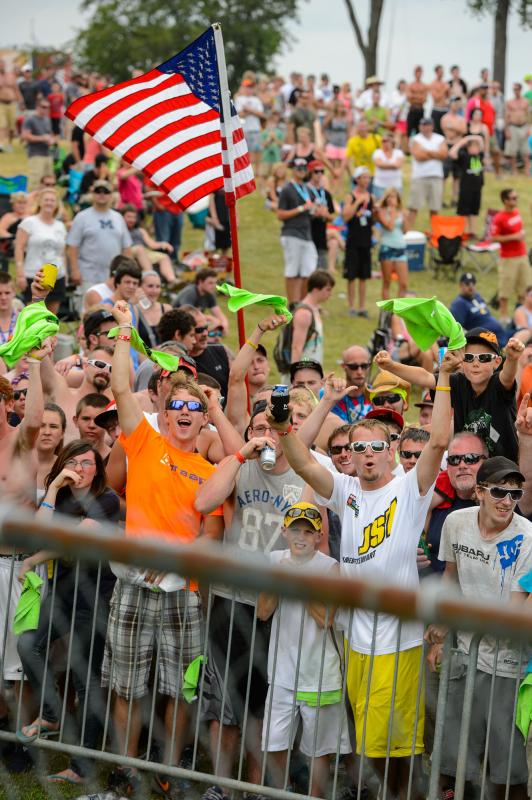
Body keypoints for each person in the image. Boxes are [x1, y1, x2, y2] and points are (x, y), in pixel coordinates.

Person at [267, 348, 458, 800]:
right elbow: (303, 463)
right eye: (358, 448)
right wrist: (283, 429)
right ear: (349, 455)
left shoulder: (409, 488)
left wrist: (444, 379)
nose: (367, 456)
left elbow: (437, 442)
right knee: (370, 741)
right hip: (357, 637)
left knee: (396, 746)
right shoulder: (345, 488)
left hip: (398, 638)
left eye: (376, 447)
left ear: (391, 451)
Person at [102, 300, 224, 798]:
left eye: (194, 409)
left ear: (204, 420)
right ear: (164, 414)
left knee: (180, 688)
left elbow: (213, 534)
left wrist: (175, 562)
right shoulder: (145, 443)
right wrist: (124, 331)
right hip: (133, 585)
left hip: (181, 592)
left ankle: (170, 769)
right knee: (126, 684)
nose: (185, 414)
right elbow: (118, 388)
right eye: (177, 407)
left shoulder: (211, 472)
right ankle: (125, 769)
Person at [194, 400, 307, 800]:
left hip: (278, 605)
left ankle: (258, 789)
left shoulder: (304, 475)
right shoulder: (238, 466)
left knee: (266, 705)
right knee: (225, 705)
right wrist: (241, 454)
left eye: (274, 427)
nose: (267, 435)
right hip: (232, 600)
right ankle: (223, 787)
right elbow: (203, 502)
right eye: (259, 428)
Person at [16, 441, 120, 786]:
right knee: (28, 644)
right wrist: (54, 487)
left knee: (84, 679)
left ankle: (81, 766)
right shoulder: (59, 497)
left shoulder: (106, 500)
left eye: (88, 463)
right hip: (62, 593)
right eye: (73, 462)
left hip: (96, 598)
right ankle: (51, 714)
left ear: (98, 469)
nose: (80, 469)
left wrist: (35, 558)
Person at [428, 457, 532, 799]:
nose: (507, 501)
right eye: (500, 491)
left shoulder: (527, 537)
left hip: (507, 663)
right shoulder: (456, 523)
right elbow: (451, 579)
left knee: (507, 769)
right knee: (453, 761)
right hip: (464, 656)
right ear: (480, 491)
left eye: (515, 494)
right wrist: (441, 632)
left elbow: (514, 613)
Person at [257, 503, 350, 798]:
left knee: (319, 751)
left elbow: (326, 619)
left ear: (319, 536)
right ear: (284, 531)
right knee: (274, 743)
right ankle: (280, 791)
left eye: (308, 532)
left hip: (320, 674)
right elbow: (262, 612)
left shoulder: (330, 568)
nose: (301, 537)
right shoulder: (274, 560)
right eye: (295, 530)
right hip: (281, 672)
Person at [66, 180, 133, 293]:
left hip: (113, 277)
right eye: (98, 191)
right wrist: (74, 270)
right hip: (88, 275)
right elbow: (72, 246)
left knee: (112, 305)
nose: (102, 194)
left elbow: (126, 247)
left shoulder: (118, 218)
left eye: (106, 192)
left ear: (111, 195)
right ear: (92, 194)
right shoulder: (82, 217)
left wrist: (126, 272)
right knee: (89, 304)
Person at [14, 188, 67, 315]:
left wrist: (66, 275)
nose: (49, 203)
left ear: (57, 204)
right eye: (46, 200)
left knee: (51, 317)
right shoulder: (29, 222)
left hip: (57, 276)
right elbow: (19, 247)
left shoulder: (60, 226)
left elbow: (62, 253)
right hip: (34, 275)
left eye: (52, 200)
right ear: (39, 202)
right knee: (33, 314)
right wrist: (20, 274)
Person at [276, 158, 318, 304]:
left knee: (308, 271)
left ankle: (303, 303)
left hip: (307, 234)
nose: (302, 171)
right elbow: (280, 214)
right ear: (293, 170)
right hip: (291, 233)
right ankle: (292, 303)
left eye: (304, 168)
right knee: (292, 270)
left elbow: (311, 212)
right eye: (299, 168)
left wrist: (316, 212)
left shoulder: (308, 190)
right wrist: (301, 209)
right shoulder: (287, 189)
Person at [491, 188, 531, 323]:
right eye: (513, 198)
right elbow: (494, 237)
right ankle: (504, 317)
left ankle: (523, 314)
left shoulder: (516, 212)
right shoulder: (499, 218)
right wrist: (514, 236)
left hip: (522, 255)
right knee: (505, 289)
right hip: (508, 258)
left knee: (525, 287)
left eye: (516, 197)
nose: (516, 200)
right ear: (505, 200)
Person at [342, 166, 374, 318]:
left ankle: (362, 307)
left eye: (368, 177)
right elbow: (345, 216)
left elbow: (374, 218)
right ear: (357, 179)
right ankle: (351, 306)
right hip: (353, 241)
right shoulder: (351, 196)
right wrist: (357, 203)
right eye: (364, 177)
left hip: (366, 241)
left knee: (363, 276)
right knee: (351, 275)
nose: (367, 180)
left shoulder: (371, 197)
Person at [408, 117, 447, 227]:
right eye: (423, 125)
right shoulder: (416, 139)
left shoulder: (440, 138)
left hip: (436, 176)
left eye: (427, 125)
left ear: (432, 126)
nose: (425, 127)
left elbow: (443, 154)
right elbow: (418, 156)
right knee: (414, 207)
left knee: (435, 207)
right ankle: (407, 231)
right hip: (419, 176)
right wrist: (435, 153)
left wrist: (426, 151)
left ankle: (435, 232)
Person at [289, 270, 334, 365]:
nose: (330, 294)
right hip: (303, 369)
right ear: (316, 289)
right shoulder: (304, 313)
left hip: (311, 368)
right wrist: (296, 371)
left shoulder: (314, 309)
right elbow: (296, 348)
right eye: (328, 289)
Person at [450, 272, 508, 343]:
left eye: (473, 283)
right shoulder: (459, 304)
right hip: (485, 340)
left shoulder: (477, 296)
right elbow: (457, 329)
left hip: (499, 333)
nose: (471, 286)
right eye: (467, 284)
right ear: (461, 285)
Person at [449, 134, 485, 236]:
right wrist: (464, 140)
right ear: (468, 148)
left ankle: (472, 231)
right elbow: (452, 153)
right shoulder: (464, 157)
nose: (475, 149)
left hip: (477, 189)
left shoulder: (479, 157)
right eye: (472, 147)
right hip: (466, 188)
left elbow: (481, 141)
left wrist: (474, 138)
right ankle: (462, 231)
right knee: (463, 211)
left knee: (474, 211)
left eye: (476, 147)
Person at [174, 268, 228, 334]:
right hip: (178, 325)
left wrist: (224, 325)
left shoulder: (209, 294)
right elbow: (188, 314)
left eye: (215, 283)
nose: (214, 286)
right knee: (211, 323)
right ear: (200, 282)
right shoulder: (190, 292)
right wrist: (210, 318)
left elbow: (219, 314)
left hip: (193, 323)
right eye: (210, 283)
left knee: (215, 325)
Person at [376, 188, 408, 299]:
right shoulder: (381, 212)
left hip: (400, 248)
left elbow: (405, 230)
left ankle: (399, 308)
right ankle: (386, 308)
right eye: (389, 196)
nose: (391, 199)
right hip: (387, 248)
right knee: (387, 281)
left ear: (398, 200)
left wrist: (405, 218)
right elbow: (389, 227)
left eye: (393, 197)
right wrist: (393, 213)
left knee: (403, 283)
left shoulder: (400, 213)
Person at [306, 160, 336, 271]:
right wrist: (315, 212)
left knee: (322, 272)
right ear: (310, 172)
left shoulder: (326, 193)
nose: (319, 174)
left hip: (321, 236)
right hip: (308, 235)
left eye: (321, 171)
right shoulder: (305, 190)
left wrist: (325, 214)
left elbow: (332, 217)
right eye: (316, 171)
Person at [331, 344, 372, 423]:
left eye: (364, 366)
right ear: (343, 366)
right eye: (353, 367)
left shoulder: (376, 395)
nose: (359, 372)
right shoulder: (329, 396)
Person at [21, 98, 56, 191]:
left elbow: (49, 134)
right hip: (35, 154)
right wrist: (42, 138)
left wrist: (51, 140)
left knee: (49, 180)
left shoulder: (47, 120)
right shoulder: (30, 119)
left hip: (47, 154)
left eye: (48, 107)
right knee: (35, 181)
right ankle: (32, 198)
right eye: (43, 107)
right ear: (37, 107)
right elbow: (25, 136)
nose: (46, 109)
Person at [135, 270, 172, 349]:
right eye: (150, 286)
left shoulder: (167, 309)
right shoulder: (135, 311)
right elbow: (136, 345)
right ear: (139, 288)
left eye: (158, 287)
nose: (155, 291)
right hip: (145, 356)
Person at [72, 393, 112, 460]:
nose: (91, 425)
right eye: (86, 419)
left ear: (108, 423)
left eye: (98, 420)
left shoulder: (118, 458)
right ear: (76, 421)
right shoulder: (65, 456)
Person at [504, 82, 530, 176]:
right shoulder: (509, 102)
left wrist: (529, 128)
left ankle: (527, 170)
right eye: (514, 90)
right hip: (513, 127)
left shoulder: (526, 101)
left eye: (517, 89)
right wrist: (506, 130)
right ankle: (514, 170)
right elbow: (506, 116)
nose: (516, 91)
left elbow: (528, 115)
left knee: (526, 151)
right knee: (513, 150)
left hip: (524, 126)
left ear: (520, 89)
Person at [372, 133, 404, 199]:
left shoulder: (398, 152)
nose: (385, 143)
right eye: (383, 141)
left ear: (392, 142)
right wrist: (393, 165)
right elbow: (379, 164)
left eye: (387, 141)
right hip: (380, 185)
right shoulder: (377, 152)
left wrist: (384, 165)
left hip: (396, 185)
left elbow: (398, 165)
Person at [0, 59, 21, 151]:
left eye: (2, 65)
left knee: (12, 127)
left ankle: (9, 144)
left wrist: (21, 101)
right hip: (1, 104)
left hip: (12, 104)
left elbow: (16, 89)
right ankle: (1, 144)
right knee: (2, 124)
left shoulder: (11, 76)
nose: (1, 66)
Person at [406, 66, 429, 137]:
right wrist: (419, 96)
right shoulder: (410, 85)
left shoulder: (424, 85)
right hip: (412, 110)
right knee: (409, 132)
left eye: (420, 72)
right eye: (417, 72)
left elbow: (424, 99)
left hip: (420, 110)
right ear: (414, 73)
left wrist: (414, 95)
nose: (418, 74)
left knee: (420, 132)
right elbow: (409, 97)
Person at [430, 65, 450, 134]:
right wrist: (444, 89)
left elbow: (448, 97)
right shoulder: (433, 84)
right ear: (436, 72)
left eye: (442, 71)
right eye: (440, 71)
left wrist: (448, 91)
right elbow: (436, 98)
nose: (442, 73)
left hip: (445, 110)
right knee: (436, 133)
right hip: (437, 110)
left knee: (445, 132)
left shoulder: (445, 83)